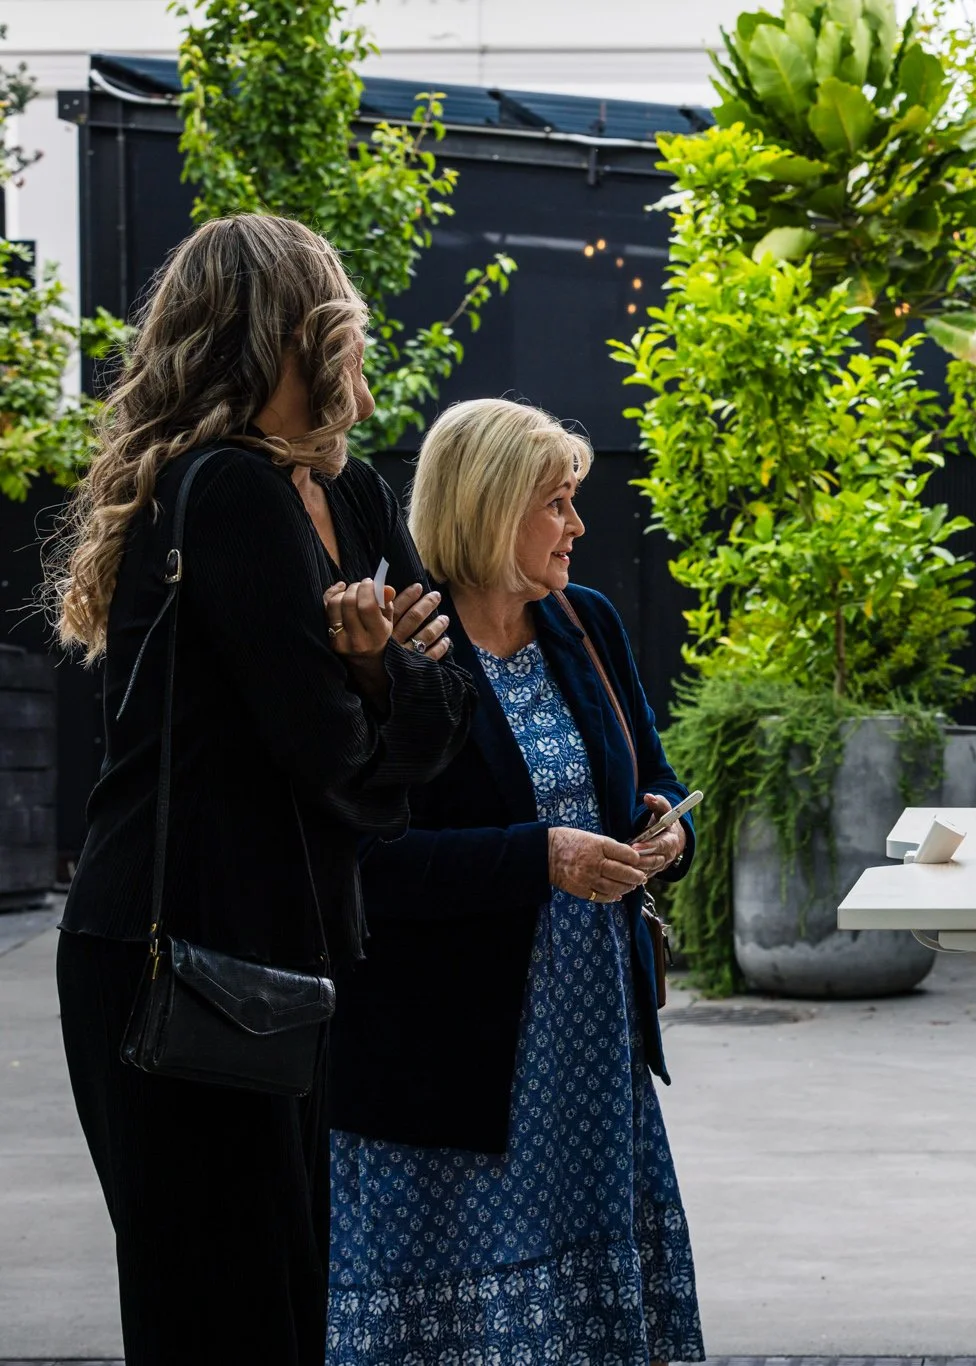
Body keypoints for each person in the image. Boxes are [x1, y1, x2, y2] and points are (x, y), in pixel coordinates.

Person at [43, 213, 475, 1365]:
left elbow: (445, 708)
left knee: (279, 1305)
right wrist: (388, 693)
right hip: (174, 948)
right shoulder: (226, 492)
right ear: (296, 330)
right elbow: (333, 764)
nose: (358, 341)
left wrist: (377, 671)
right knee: (223, 1318)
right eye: (340, 312)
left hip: (287, 954)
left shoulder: (360, 498)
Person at [326, 398, 704, 1365]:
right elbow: (365, 865)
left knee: (585, 1304)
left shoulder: (587, 624)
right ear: (492, 507)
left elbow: (651, 775)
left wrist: (667, 828)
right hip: (446, 1054)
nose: (578, 526)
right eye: (559, 503)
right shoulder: (405, 646)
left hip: (588, 1044)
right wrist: (541, 857)